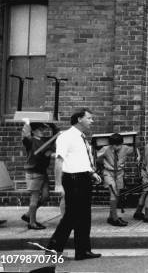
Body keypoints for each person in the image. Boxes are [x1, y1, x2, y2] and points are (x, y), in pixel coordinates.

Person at [47, 108, 102, 260]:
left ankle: (82, 251)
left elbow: (80, 160)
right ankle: (52, 250)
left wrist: (91, 173)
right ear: (79, 119)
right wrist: (58, 184)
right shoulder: (67, 136)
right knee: (71, 215)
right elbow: (59, 160)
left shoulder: (81, 137)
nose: (92, 121)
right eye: (89, 118)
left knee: (85, 216)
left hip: (83, 178)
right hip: (73, 180)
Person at [20, 118, 59, 229]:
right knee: (35, 197)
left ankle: (28, 215)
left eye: (43, 128)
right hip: (33, 172)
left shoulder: (44, 140)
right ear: (34, 130)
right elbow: (25, 136)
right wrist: (27, 123)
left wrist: (52, 124)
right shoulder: (30, 141)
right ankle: (32, 223)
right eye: (39, 128)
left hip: (42, 172)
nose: (42, 130)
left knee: (46, 196)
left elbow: (55, 135)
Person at [96, 133, 139, 226]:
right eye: (115, 145)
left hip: (119, 174)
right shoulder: (105, 149)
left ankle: (111, 216)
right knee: (113, 194)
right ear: (111, 144)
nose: (118, 147)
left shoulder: (125, 148)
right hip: (109, 173)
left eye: (119, 145)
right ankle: (115, 219)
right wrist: (101, 163)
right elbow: (96, 156)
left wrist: (138, 155)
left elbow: (135, 148)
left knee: (117, 195)